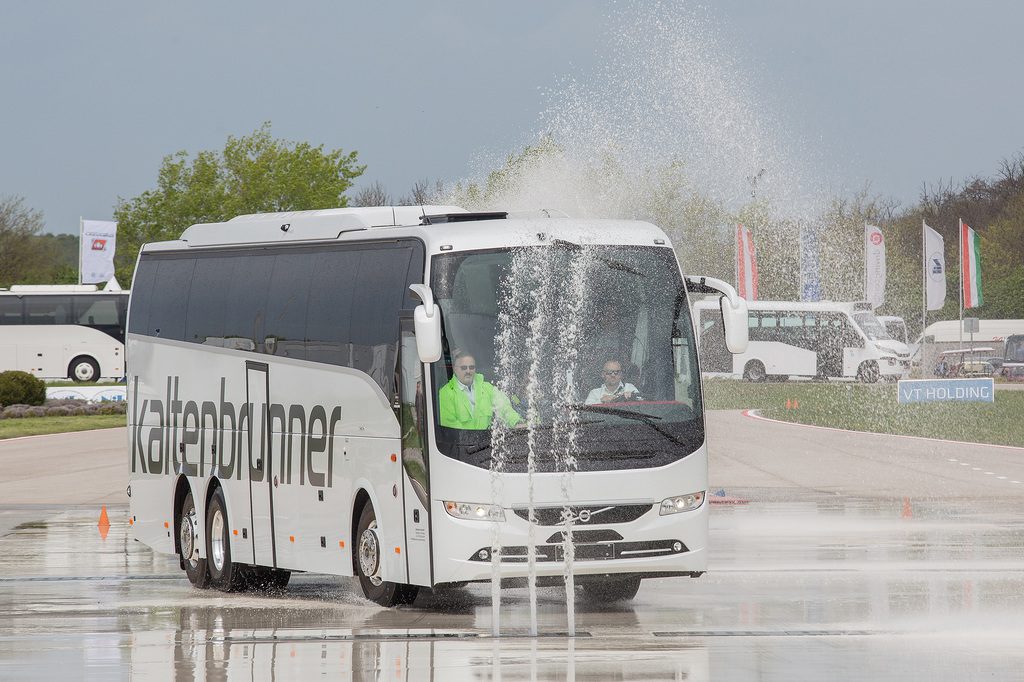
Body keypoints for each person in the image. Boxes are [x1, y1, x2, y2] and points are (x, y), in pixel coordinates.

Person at [438, 351, 523, 430]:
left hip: (486, 441)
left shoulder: (487, 388)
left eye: (471, 367)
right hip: (459, 441)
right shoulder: (445, 393)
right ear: (455, 369)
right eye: (464, 368)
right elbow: (451, 427)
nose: (468, 371)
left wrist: (516, 422)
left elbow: (504, 407)